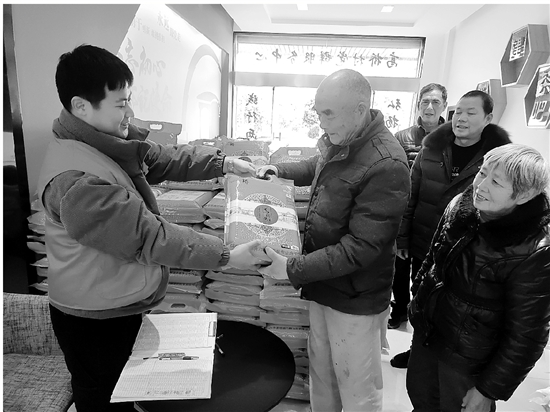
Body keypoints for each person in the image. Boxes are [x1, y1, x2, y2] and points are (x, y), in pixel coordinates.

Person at [36, 44, 268, 412]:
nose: (129, 112)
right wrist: (225, 256)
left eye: (129, 100)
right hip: (94, 319)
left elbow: (158, 158)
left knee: (127, 395)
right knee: (104, 400)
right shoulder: (76, 183)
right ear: (81, 106)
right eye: (120, 104)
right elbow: (148, 236)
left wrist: (223, 163)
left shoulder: (102, 140)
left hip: (116, 301)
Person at [257, 68, 410, 412]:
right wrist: (280, 171)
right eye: (318, 113)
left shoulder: (386, 163)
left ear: (359, 110)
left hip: (355, 296)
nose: (321, 123)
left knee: (356, 387)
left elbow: (361, 247)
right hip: (323, 284)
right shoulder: (342, 139)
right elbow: (320, 164)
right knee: (323, 374)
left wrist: (291, 269)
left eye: (328, 114)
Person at [406, 143, 550, 412]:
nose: (480, 186)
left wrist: (488, 389)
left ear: (525, 194)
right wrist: (419, 301)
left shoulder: (534, 249)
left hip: (469, 360)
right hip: (429, 335)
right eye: (482, 173)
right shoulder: (461, 206)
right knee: (421, 400)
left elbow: (527, 335)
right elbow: (432, 258)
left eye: (496, 182)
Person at [390, 89, 512, 369]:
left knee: (454, 306)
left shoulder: (498, 159)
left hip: (468, 251)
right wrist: (403, 237)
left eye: (471, 113)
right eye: (458, 112)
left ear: (488, 118)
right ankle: (417, 350)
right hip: (425, 241)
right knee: (422, 297)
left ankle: (448, 358)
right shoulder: (431, 149)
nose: (461, 118)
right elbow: (411, 195)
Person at [389, 83, 448, 329]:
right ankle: (399, 308)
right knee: (399, 265)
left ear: (444, 106)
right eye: (425, 101)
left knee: (424, 269)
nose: (429, 107)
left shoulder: (452, 138)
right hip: (403, 208)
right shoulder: (402, 137)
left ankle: (419, 312)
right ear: (418, 105)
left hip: (432, 212)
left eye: (435, 102)